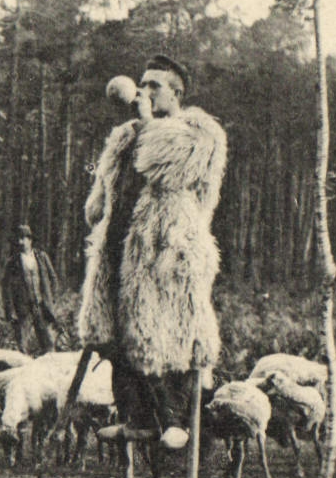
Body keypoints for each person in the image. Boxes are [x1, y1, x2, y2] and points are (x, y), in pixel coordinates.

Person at [76, 54, 227, 451]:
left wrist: (145, 120)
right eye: (141, 83)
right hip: (122, 249)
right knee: (117, 337)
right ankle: (133, 419)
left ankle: (173, 420)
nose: (143, 91)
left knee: (159, 336)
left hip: (166, 253)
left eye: (153, 85)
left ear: (176, 93)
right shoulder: (127, 134)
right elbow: (104, 190)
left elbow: (163, 163)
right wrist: (100, 200)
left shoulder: (199, 133)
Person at [1, 224, 62, 355]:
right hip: (23, 309)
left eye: (23, 239)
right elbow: (5, 288)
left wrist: (53, 299)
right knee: (22, 346)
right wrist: (10, 310)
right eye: (18, 239)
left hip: (41, 306)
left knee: (49, 344)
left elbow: (53, 278)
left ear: (30, 240)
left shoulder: (42, 257)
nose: (20, 242)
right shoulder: (13, 262)